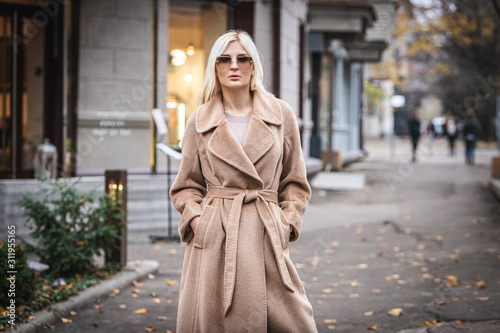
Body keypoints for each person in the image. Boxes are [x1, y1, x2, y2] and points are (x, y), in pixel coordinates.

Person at [170, 30, 318, 332]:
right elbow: (186, 186)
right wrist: (199, 221)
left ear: (254, 66)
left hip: (265, 232)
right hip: (216, 239)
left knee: (295, 321)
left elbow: (295, 181)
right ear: (215, 66)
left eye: (243, 58)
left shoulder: (281, 114)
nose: (233, 65)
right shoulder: (199, 120)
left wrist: (286, 222)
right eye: (225, 59)